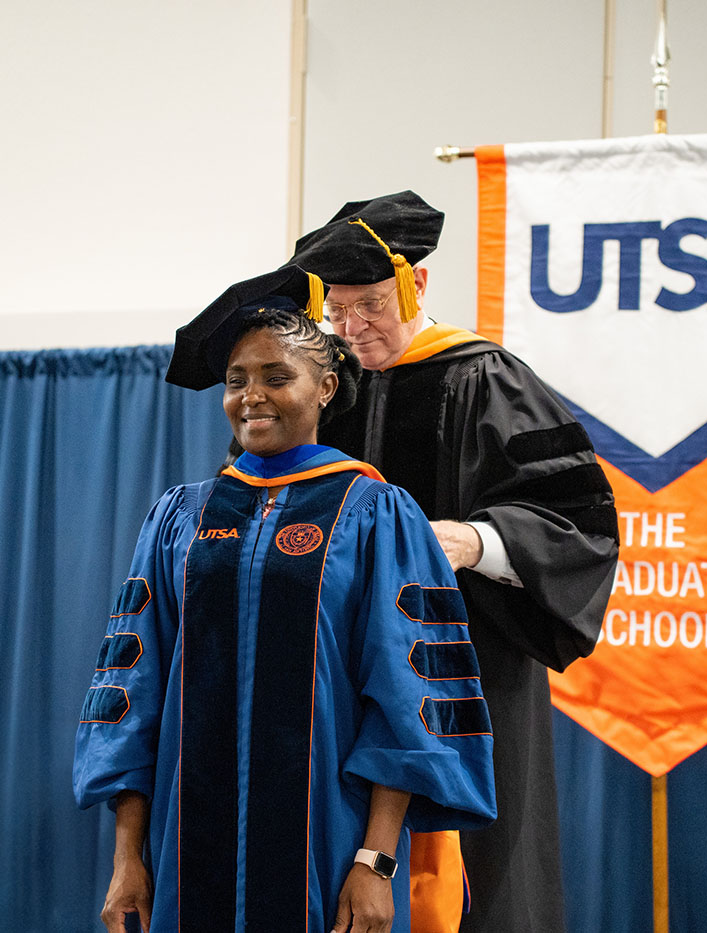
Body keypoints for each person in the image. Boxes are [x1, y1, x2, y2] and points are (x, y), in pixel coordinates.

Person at [73, 264, 496, 933]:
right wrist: (128, 856)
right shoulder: (179, 516)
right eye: (237, 379)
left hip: (332, 844)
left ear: (326, 386)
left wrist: (376, 861)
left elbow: (406, 695)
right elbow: (132, 688)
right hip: (183, 845)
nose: (252, 396)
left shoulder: (376, 511)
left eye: (276, 375)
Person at [287, 191, 620, 933]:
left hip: (467, 669)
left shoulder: (485, 377)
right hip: (338, 674)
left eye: (370, 304)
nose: (351, 327)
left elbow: (581, 521)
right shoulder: (322, 386)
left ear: (417, 287)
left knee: (479, 879)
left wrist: (473, 540)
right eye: (335, 310)